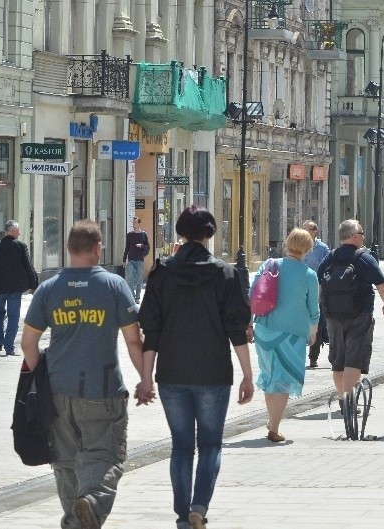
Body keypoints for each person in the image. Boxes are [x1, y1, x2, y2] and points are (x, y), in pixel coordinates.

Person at [21, 220, 148, 529]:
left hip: (58, 391)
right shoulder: (114, 285)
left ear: (68, 249)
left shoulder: (50, 287)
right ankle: (90, 502)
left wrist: (40, 377)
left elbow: (28, 343)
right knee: (106, 457)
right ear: (98, 248)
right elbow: (133, 339)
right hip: (102, 389)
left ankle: (74, 521)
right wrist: (146, 378)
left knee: (65, 463)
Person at [138, 206, 253, 529]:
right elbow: (237, 328)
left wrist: (146, 377)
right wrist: (247, 373)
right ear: (210, 234)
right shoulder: (225, 274)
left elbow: (151, 330)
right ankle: (199, 505)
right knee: (211, 444)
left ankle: (182, 514)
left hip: (172, 373)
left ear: (181, 234)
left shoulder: (161, 274)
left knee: (182, 446)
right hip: (214, 372)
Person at [253, 228, 319, 442]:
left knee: (269, 375)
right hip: (291, 335)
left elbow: (252, 293)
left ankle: (272, 419)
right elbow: (313, 310)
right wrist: (314, 330)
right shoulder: (309, 275)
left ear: (287, 242)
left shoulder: (269, 265)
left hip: (263, 329)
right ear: (308, 249)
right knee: (283, 381)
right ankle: (274, 426)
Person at [317, 220, 384, 408]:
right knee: (354, 358)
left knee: (338, 358)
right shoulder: (364, 258)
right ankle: (350, 399)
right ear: (354, 236)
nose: (363, 236)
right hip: (360, 315)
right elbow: (382, 285)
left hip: (333, 316)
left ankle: (343, 397)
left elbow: (319, 283)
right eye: (362, 232)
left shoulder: (330, 258)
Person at [0, 219, 38, 355]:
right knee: (13, 317)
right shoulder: (21, 246)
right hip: (15, 289)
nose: (19, 234)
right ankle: (9, 348)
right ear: (13, 231)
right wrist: (34, 284)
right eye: (18, 231)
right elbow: (29, 266)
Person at [301, 220, 330, 368]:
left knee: (316, 323)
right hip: (299, 291)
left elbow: (328, 268)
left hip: (317, 290)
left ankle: (313, 357)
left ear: (315, 232)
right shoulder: (298, 246)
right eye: (303, 228)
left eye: (308, 229)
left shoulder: (323, 249)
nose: (305, 231)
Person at [123, 216, 150, 303]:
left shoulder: (143, 235)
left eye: (135, 222)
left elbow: (148, 247)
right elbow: (126, 248)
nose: (133, 224)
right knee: (129, 278)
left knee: (139, 280)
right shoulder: (129, 235)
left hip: (140, 260)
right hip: (131, 260)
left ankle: (137, 297)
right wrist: (124, 260)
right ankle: (132, 296)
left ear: (139, 224)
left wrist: (141, 246)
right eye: (133, 222)